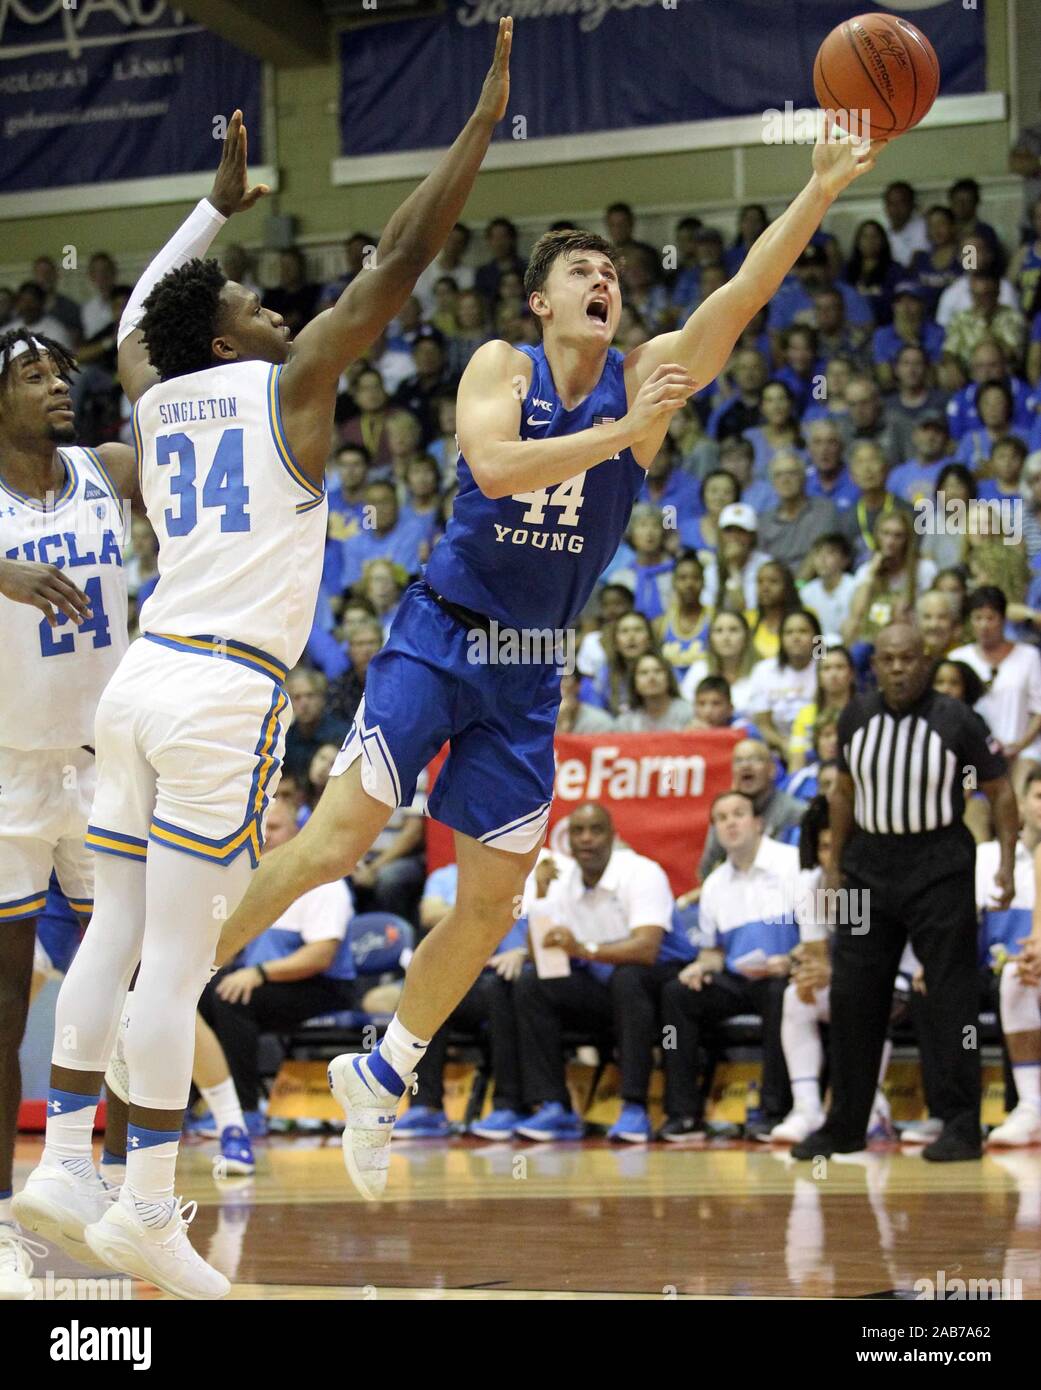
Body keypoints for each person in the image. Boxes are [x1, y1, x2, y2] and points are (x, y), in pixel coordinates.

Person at [210, 114, 878, 1200]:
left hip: (527, 671)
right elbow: (494, 463)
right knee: (338, 839)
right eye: (582, 269)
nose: (604, 279)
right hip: (437, 632)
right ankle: (173, 974)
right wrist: (624, 438)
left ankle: (385, 1072)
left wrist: (818, 189)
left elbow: (744, 295)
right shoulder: (501, 363)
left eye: (612, 269)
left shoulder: (649, 373)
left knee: (487, 909)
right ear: (542, 299)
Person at [19, 34, 514, 1300]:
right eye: (248, 295)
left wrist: (209, 212)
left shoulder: (150, 392)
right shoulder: (286, 389)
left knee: (114, 942)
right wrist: (476, 130)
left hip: (137, 684)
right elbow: (400, 259)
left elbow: (139, 314)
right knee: (173, 961)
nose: (274, 305)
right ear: (222, 331)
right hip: (221, 691)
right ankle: (142, 1207)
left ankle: (66, 1168)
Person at [0, 330, 135, 1298]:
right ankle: (5, 1219)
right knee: (4, 1007)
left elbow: (156, 367)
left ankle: (121, 1195)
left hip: (109, 765)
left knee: (129, 989)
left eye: (58, 372)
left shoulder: (108, 466)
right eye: (30, 374)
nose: (57, 385)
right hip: (6, 774)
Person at [791, 622, 1017, 1164]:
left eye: (908, 659)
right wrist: (836, 866)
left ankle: (961, 1124)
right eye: (888, 659)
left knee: (947, 996)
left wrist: (1006, 864)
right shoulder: (856, 715)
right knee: (853, 996)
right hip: (869, 867)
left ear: (926, 660)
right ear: (877, 666)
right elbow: (844, 790)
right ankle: (845, 1124)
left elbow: (1000, 789)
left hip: (938, 866)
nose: (897, 668)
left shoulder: (957, 719)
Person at [512, 804, 674, 1142]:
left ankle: (634, 1107)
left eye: (596, 830)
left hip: (661, 986)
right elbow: (543, 954)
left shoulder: (642, 872)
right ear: (567, 840)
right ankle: (556, 1106)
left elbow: (647, 949)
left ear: (613, 836)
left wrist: (583, 949)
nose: (586, 839)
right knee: (533, 983)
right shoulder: (562, 878)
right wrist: (539, 895)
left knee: (628, 978)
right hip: (605, 990)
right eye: (578, 831)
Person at [196, 798, 356, 1129]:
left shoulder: (324, 883)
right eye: (261, 828)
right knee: (196, 998)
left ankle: (245, 1112)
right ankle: (189, 1106)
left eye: (275, 827)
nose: (265, 836)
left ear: (297, 830)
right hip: (264, 982)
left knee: (232, 998)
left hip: (322, 987)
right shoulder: (249, 880)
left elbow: (320, 955)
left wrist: (259, 972)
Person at [659, 791, 799, 1140]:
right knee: (677, 993)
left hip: (787, 974)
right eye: (721, 818)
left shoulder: (792, 863)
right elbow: (713, 952)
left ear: (758, 823)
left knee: (781, 994)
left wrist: (792, 959)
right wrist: (701, 967)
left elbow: (822, 936)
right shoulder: (715, 884)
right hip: (739, 979)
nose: (730, 822)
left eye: (738, 814)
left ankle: (774, 1111)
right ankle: (684, 1114)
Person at [763, 796, 894, 1144]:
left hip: (901, 980)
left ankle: (870, 1101)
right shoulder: (813, 886)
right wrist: (813, 973)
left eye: (839, 845)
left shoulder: (877, 881)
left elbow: (877, 965)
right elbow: (816, 955)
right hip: (850, 979)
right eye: (823, 847)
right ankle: (807, 1107)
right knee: (797, 993)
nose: (832, 857)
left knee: (860, 993)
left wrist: (832, 974)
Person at [949, 587, 1041, 796]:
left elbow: (1039, 710)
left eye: (990, 618)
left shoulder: (1028, 656)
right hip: (973, 756)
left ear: (1002, 619)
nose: (984, 625)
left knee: (1018, 795)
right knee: (968, 799)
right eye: (977, 618)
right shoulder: (958, 659)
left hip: (1020, 751)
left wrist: (1017, 745)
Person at [697, 739, 805, 883]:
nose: (746, 766)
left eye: (755, 759)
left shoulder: (796, 812)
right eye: (739, 761)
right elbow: (707, 870)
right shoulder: (725, 814)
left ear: (772, 770)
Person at [757, 451, 838, 575]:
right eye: (779, 475)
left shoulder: (824, 510)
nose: (785, 480)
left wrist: (798, 587)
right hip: (776, 586)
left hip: (813, 584)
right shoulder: (764, 521)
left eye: (791, 473)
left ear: (804, 477)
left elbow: (820, 553)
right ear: (773, 482)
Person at [614, 652, 694, 732]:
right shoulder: (627, 721)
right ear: (634, 682)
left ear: (668, 678)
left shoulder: (689, 713)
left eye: (658, 671)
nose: (652, 678)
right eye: (644, 673)